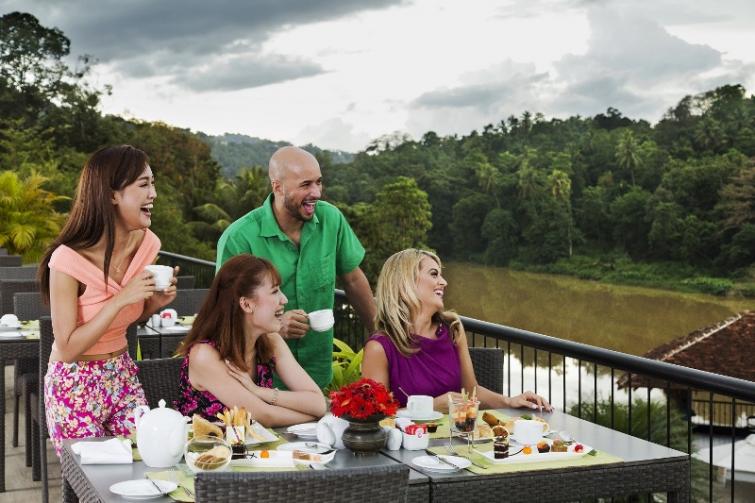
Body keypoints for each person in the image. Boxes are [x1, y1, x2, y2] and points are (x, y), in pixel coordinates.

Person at [38, 145, 177, 455]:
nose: (153, 193)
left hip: (122, 374)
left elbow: (128, 317)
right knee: (96, 477)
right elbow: (68, 348)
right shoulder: (66, 260)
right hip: (74, 385)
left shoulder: (148, 245)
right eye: (144, 185)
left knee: (149, 458)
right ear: (113, 194)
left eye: (153, 183)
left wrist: (153, 303)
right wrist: (119, 299)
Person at [216, 146, 375, 389]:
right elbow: (224, 313)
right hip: (260, 376)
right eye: (305, 185)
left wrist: (379, 334)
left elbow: (353, 280)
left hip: (317, 370)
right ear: (278, 187)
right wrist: (275, 327)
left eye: (319, 182)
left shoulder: (331, 220)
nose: (316, 193)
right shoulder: (239, 238)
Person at [362, 248, 552, 413]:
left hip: (456, 439)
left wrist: (509, 401)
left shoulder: (452, 329)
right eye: (434, 274)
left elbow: (471, 392)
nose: (444, 282)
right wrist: (430, 407)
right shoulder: (380, 348)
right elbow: (374, 419)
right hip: (408, 443)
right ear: (406, 282)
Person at [175, 254, 327, 426]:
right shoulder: (205, 355)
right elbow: (264, 416)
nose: (284, 299)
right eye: (275, 291)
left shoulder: (271, 341)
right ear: (247, 304)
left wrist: (260, 391)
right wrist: (312, 417)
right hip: (208, 444)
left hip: (258, 443)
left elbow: (318, 403)